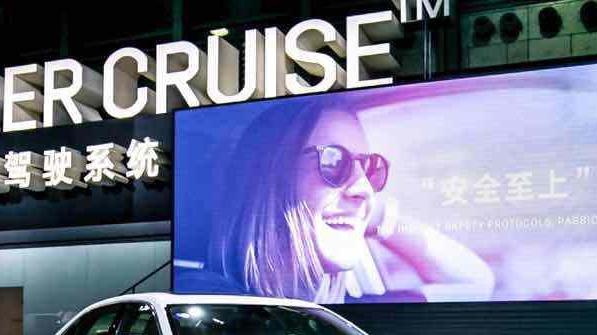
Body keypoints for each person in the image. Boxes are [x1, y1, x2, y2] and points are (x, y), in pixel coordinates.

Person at [193, 98, 495, 302]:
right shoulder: (204, 303)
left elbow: (477, 283)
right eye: (335, 162)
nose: (364, 189)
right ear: (268, 176)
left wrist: (372, 215)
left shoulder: (345, 323)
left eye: (371, 167)